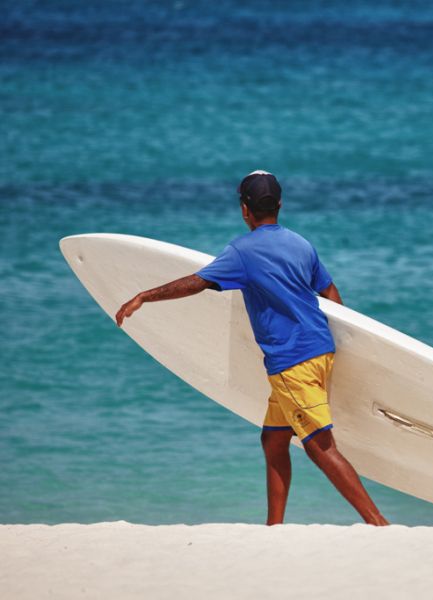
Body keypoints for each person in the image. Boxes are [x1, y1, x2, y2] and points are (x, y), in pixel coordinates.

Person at [115, 170, 389, 526]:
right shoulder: (300, 244)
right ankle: (274, 527)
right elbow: (330, 293)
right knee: (273, 440)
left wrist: (144, 296)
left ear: (245, 209)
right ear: (280, 205)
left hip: (292, 361)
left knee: (319, 446)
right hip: (320, 350)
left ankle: (378, 523)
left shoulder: (242, 252)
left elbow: (197, 282)